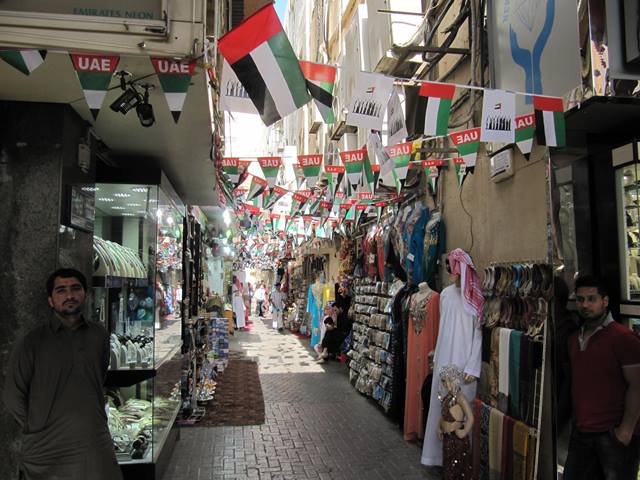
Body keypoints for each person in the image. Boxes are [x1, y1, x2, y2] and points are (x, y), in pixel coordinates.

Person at [3, 268, 122, 480]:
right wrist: (37, 426)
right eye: (61, 290)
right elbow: (13, 395)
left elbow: (97, 375)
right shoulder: (33, 342)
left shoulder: (99, 335)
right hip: (47, 446)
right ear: (51, 300)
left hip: (92, 439)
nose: (69, 296)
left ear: (85, 294)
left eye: (76, 288)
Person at [563, 275, 640, 480]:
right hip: (582, 434)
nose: (585, 305)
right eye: (580, 300)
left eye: (591, 299)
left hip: (612, 435)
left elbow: (637, 386)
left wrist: (625, 431)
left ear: (604, 301)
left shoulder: (623, 338)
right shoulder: (573, 340)